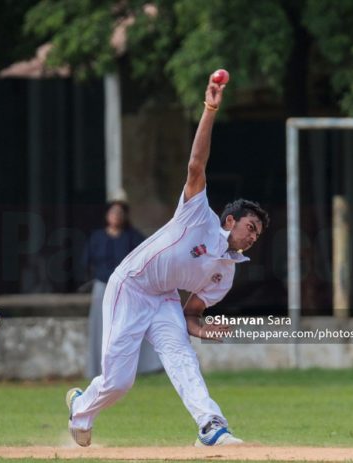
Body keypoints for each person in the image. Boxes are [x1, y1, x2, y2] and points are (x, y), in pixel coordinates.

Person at [66, 72, 269, 447]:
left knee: (182, 359)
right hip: (129, 285)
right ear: (230, 220)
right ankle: (81, 408)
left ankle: (211, 426)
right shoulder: (198, 215)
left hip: (163, 299)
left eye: (258, 233)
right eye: (250, 226)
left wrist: (202, 330)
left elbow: (191, 313)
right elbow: (196, 164)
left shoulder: (226, 274)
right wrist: (210, 108)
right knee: (119, 381)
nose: (253, 236)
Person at [83, 200, 162, 379]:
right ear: (107, 216)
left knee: (134, 324)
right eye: (113, 213)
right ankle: (101, 369)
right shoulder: (97, 237)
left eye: (119, 213)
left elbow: (147, 258)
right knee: (101, 327)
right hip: (102, 286)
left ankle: (143, 366)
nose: (116, 216)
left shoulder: (133, 237)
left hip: (128, 288)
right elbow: (86, 262)